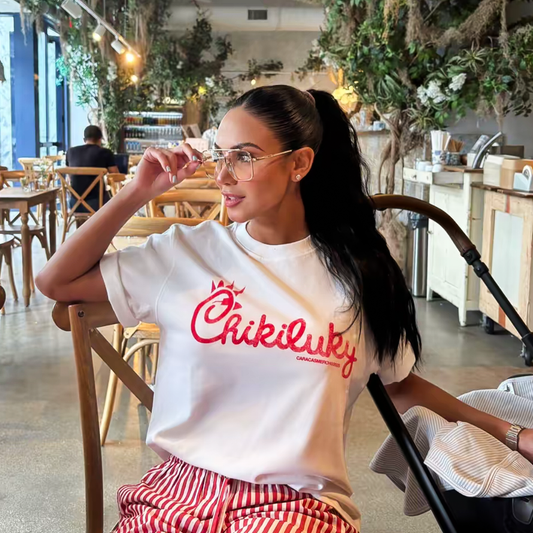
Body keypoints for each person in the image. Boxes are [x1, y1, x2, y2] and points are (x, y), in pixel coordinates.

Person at [37, 86, 532, 533]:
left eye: (245, 157)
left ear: (300, 164)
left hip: (297, 506)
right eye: (221, 155)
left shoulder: (360, 275)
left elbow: (400, 386)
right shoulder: (186, 253)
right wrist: (137, 192)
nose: (223, 175)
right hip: (177, 497)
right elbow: (55, 282)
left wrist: (512, 434)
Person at [66, 125, 119, 212]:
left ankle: (79, 222)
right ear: (100, 139)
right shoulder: (105, 153)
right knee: (113, 201)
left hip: (74, 204)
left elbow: (69, 178)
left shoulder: (71, 152)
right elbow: (116, 176)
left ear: (84, 139)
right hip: (98, 203)